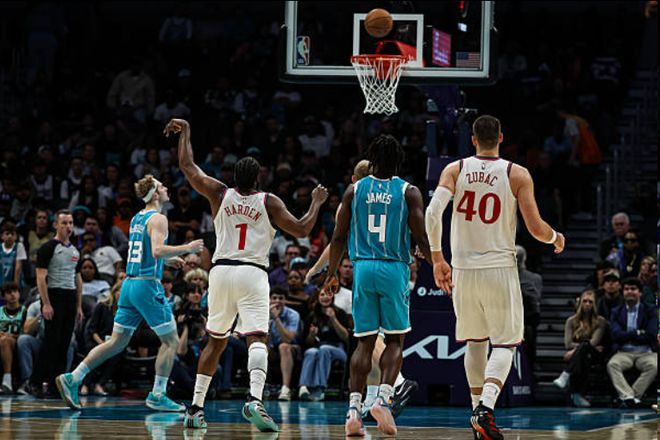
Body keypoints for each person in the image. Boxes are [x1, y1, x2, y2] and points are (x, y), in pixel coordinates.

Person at [163, 118, 327, 432]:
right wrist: (316, 203)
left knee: (215, 342)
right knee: (257, 339)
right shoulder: (269, 201)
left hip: (221, 272)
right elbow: (303, 229)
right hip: (252, 273)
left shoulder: (219, 193)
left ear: (233, 178)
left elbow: (187, 166)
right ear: (259, 178)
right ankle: (254, 399)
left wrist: (186, 131)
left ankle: (195, 408)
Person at [425, 115, 565, 440]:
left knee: (475, 342)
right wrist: (556, 237)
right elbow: (536, 229)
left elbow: (432, 213)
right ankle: (485, 408)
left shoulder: (455, 169)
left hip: (462, 269)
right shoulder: (517, 173)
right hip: (499, 269)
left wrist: (437, 258)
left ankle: (477, 413)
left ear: (473, 139)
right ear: (501, 137)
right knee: (505, 343)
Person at [56, 175, 204, 411]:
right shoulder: (159, 218)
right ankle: (158, 394)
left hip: (129, 285)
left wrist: (168, 261)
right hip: (146, 286)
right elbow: (157, 250)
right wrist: (187, 248)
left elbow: (144, 253)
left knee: (117, 342)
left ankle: (73, 377)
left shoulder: (137, 217)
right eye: (161, 185)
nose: (166, 187)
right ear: (155, 194)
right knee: (171, 341)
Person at [324, 134, 432, 437]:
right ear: (398, 162)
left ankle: (353, 412)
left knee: (365, 342)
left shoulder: (354, 190)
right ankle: (383, 400)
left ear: (371, 161)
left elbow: (338, 237)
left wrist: (331, 274)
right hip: (394, 267)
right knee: (395, 340)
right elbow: (421, 236)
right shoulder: (408, 191)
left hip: (362, 268)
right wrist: (436, 263)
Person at [31, 210, 83, 396]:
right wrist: (46, 303)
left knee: (65, 343)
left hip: (70, 297)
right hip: (54, 295)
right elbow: (40, 277)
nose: (68, 226)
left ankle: (55, 385)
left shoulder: (75, 250)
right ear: (56, 225)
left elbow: (78, 279)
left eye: (70, 223)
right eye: (64, 223)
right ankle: (35, 382)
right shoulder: (47, 248)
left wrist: (78, 306)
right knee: (51, 342)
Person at [606, 277, 658, 408]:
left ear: (640, 292)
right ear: (623, 292)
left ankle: (629, 397)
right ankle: (630, 397)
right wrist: (638, 333)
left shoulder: (650, 310)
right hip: (624, 351)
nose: (629, 291)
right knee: (612, 364)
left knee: (654, 366)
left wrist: (627, 335)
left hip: (646, 352)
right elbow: (616, 335)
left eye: (633, 289)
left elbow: (651, 334)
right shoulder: (616, 311)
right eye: (626, 289)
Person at [552, 289, 607, 407]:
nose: (587, 304)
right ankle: (578, 394)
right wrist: (580, 349)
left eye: (590, 302)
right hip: (582, 356)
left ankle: (566, 375)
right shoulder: (571, 321)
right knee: (584, 356)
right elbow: (568, 344)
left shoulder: (600, 321)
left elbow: (594, 342)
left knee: (586, 347)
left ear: (595, 304)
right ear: (580, 303)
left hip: (596, 355)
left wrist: (574, 350)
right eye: (585, 301)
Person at [298, 288, 350, 401]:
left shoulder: (340, 313)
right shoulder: (312, 316)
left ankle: (320, 388)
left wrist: (333, 319)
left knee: (324, 349)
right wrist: (312, 335)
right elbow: (307, 343)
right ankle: (303, 387)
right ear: (317, 298)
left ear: (333, 297)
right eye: (322, 295)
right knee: (311, 352)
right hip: (318, 347)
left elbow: (346, 337)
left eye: (328, 294)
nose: (325, 297)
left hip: (339, 348)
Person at [267, 287, 301, 401]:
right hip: (272, 347)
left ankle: (285, 389)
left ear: (285, 300)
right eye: (274, 298)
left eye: (281, 298)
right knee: (259, 348)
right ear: (269, 300)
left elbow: (288, 339)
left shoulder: (293, 314)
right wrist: (268, 323)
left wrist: (276, 318)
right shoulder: (264, 314)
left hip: (292, 348)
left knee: (283, 346)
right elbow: (264, 341)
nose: (277, 301)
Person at [0, 282, 26, 393]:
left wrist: (11, 336)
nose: (12, 295)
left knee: (5, 341)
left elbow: (27, 332)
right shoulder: (0, 311)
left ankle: (7, 380)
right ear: (3, 296)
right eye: (8, 292)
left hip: (17, 343)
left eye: (15, 291)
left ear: (19, 294)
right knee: (3, 340)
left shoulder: (25, 311)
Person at [0, 221, 27, 286]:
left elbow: (17, 269)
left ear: (16, 236)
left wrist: (15, 287)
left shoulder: (19, 246)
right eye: (7, 234)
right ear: (1, 236)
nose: (10, 236)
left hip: (15, 282)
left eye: (12, 234)